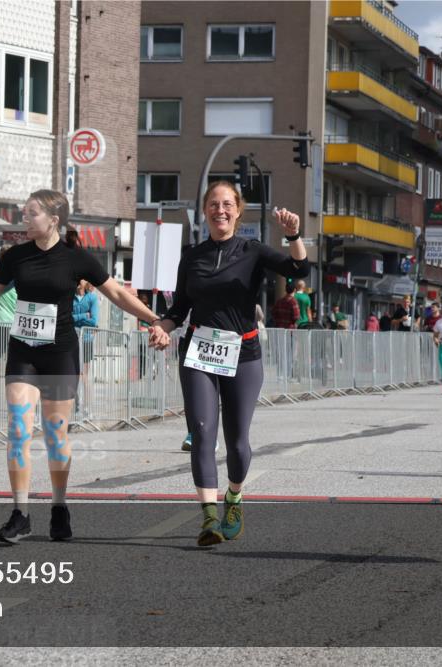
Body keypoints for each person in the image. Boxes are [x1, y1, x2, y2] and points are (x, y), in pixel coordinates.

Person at [0, 189, 169, 543]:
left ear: (53, 219)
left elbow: (117, 294)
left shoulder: (76, 258)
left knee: (56, 435)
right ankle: (20, 513)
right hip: (23, 353)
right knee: (18, 429)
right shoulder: (16, 257)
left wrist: (156, 321)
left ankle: (59, 505)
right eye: (24, 214)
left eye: (31, 214)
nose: (24, 220)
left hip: (59, 354)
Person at [153, 181, 308, 546]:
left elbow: (298, 268)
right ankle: (208, 518)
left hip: (243, 353)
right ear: (204, 210)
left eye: (227, 204)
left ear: (238, 211)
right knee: (203, 433)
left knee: (237, 442)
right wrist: (163, 327)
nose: (219, 210)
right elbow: (178, 309)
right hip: (199, 352)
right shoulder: (192, 255)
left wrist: (293, 235)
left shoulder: (252, 250)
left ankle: (234, 498)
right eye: (213, 204)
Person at [72, 280, 98, 417]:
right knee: (74, 375)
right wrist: (83, 316)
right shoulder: (69, 295)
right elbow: (66, 318)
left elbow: (94, 321)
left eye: (80, 278)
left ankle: (87, 409)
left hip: (87, 340)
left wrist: (76, 319)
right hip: (72, 340)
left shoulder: (92, 297)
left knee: (84, 376)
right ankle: (76, 407)